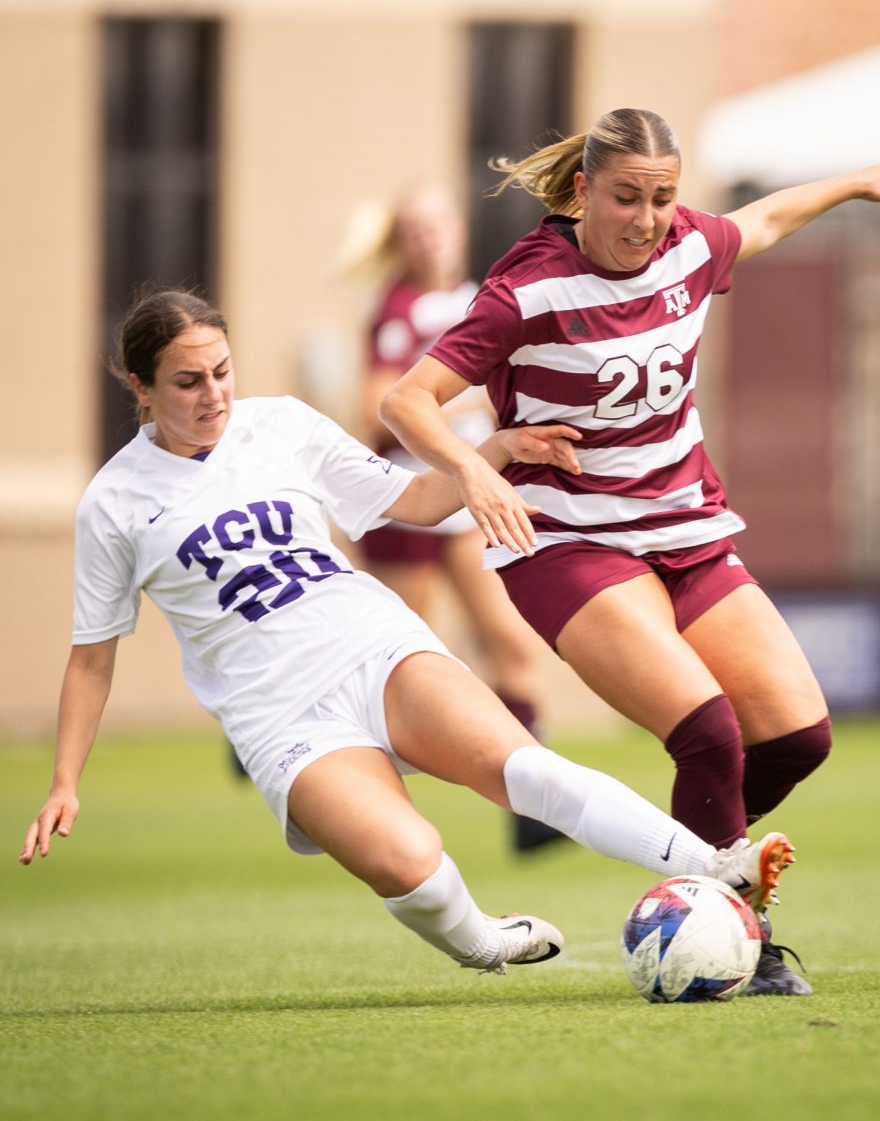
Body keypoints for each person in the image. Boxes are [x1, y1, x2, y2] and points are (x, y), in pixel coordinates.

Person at [19, 287, 796, 978]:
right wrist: (64, 782)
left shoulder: (280, 425)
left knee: (522, 770)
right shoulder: (115, 503)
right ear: (140, 387)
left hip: (373, 644)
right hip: (280, 715)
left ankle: (720, 866)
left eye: (222, 370)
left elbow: (417, 501)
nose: (214, 394)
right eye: (188, 382)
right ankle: (484, 943)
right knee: (409, 861)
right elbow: (92, 658)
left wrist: (493, 453)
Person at [380, 108, 880, 994]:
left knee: (798, 738)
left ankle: (695, 868)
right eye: (627, 197)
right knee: (707, 734)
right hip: (569, 542)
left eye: (663, 199)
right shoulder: (529, 287)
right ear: (585, 190)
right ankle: (735, 932)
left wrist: (856, 181)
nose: (646, 219)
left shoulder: (689, 248)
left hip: (689, 532)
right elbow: (408, 401)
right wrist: (477, 476)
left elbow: (765, 221)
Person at [357, 183, 563, 852]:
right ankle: (312, 757)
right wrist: (472, 412)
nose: (429, 237)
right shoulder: (395, 309)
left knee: (510, 642)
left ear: (456, 226)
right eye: (414, 227)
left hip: (470, 492)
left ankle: (535, 809)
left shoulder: (483, 297)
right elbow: (378, 406)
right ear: (401, 238)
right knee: (395, 656)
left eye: (437, 223)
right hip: (412, 496)